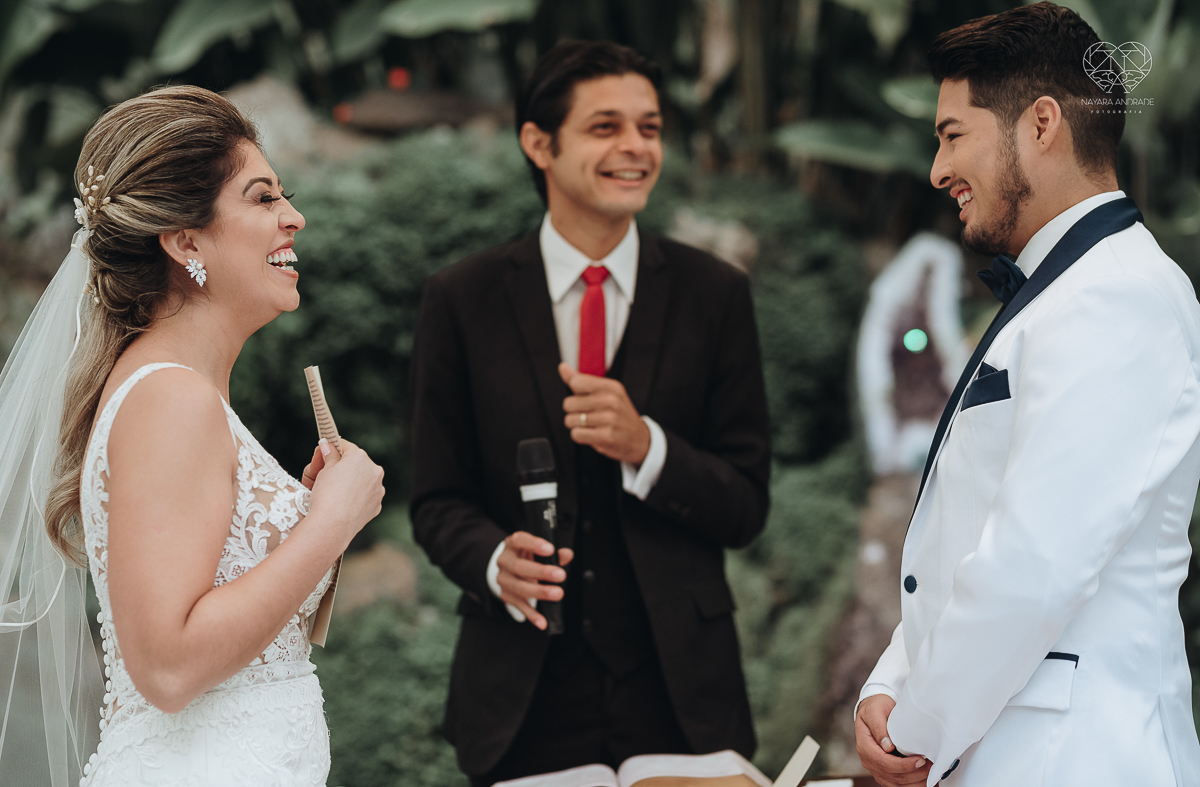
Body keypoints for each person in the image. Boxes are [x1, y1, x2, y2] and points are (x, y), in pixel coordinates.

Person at [854, 4, 1200, 786]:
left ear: (1041, 124)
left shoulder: (1121, 292)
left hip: (1077, 759)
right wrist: (889, 685)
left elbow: (1033, 557)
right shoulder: (1061, 294)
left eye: (951, 135)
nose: (937, 170)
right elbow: (971, 538)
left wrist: (916, 731)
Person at [0, 85, 385, 787]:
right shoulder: (170, 397)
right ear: (184, 241)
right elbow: (169, 666)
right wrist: (329, 523)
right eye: (263, 198)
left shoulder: (178, 391)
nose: (293, 217)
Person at [410, 41, 771, 785]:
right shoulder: (462, 299)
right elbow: (437, 497)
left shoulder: (716, 295)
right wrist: (490, 559)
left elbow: (746, 505)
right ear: (539, 143)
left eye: (651, 127)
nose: (636, 148)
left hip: (682, 694)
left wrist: (648, 446)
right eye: (606, 127)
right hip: (524, 695)